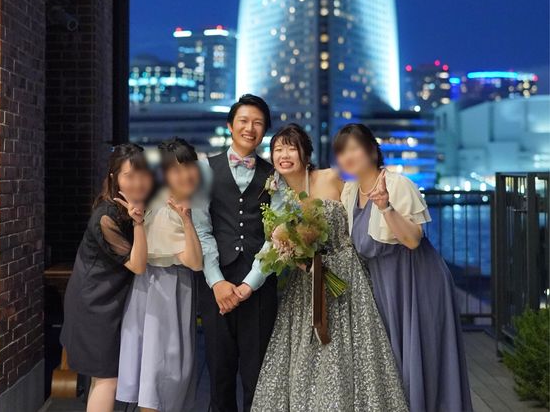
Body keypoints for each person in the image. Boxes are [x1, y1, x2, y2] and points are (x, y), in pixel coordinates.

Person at [251, 124, 408, 412]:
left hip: (346, 275)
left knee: (350, 349)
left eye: (291, 148)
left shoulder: (331, 177)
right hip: (306, 281)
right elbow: (274, 245)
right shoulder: (278, 195)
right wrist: (294, 254)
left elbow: (361, 210)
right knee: (307, 352)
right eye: (278, 149)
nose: (284, 155)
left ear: (305, 153)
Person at [334, 123, 473, 412]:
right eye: (342, 151)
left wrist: (386, 207)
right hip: (383, 287)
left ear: (372, 151)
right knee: (394, 364)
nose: (348, 156)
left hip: (416, 281)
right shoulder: (349, 192)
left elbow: (412, 240)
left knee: (422, 359)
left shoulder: (398, 185)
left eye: (354, 148)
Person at [196, 94, 277, 412]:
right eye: (243, 121)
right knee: (219, 375)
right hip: (216, 285)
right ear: (230, 126)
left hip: (258, 287)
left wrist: (250, 284)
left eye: (258, 123)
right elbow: (201, 229)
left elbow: (276, 238)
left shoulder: (274, 175)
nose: (250, 128)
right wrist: (216, 281)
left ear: (265, 130)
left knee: (257, 377)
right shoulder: (205, 169)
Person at [61, 143, 153, 412]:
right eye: (129, 176)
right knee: (107, 379)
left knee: (103, 378)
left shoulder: (130, 206)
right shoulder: (106, 216)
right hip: (94, 305)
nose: (137, 182)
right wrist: (139, 224)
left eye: (142, 174)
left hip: (108, 301)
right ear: (114, 178)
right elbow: (137, 265)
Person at [117, 138, 204, 412]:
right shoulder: (160, 204)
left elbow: (194, 262)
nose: (185, 174)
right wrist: (186, 220)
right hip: (157, 286)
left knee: (168, 371)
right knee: (157, 371)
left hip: (174, 286)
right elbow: (194, 262)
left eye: (189, 166)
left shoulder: (190, 201)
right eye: (175, 169)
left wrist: (187, 219)